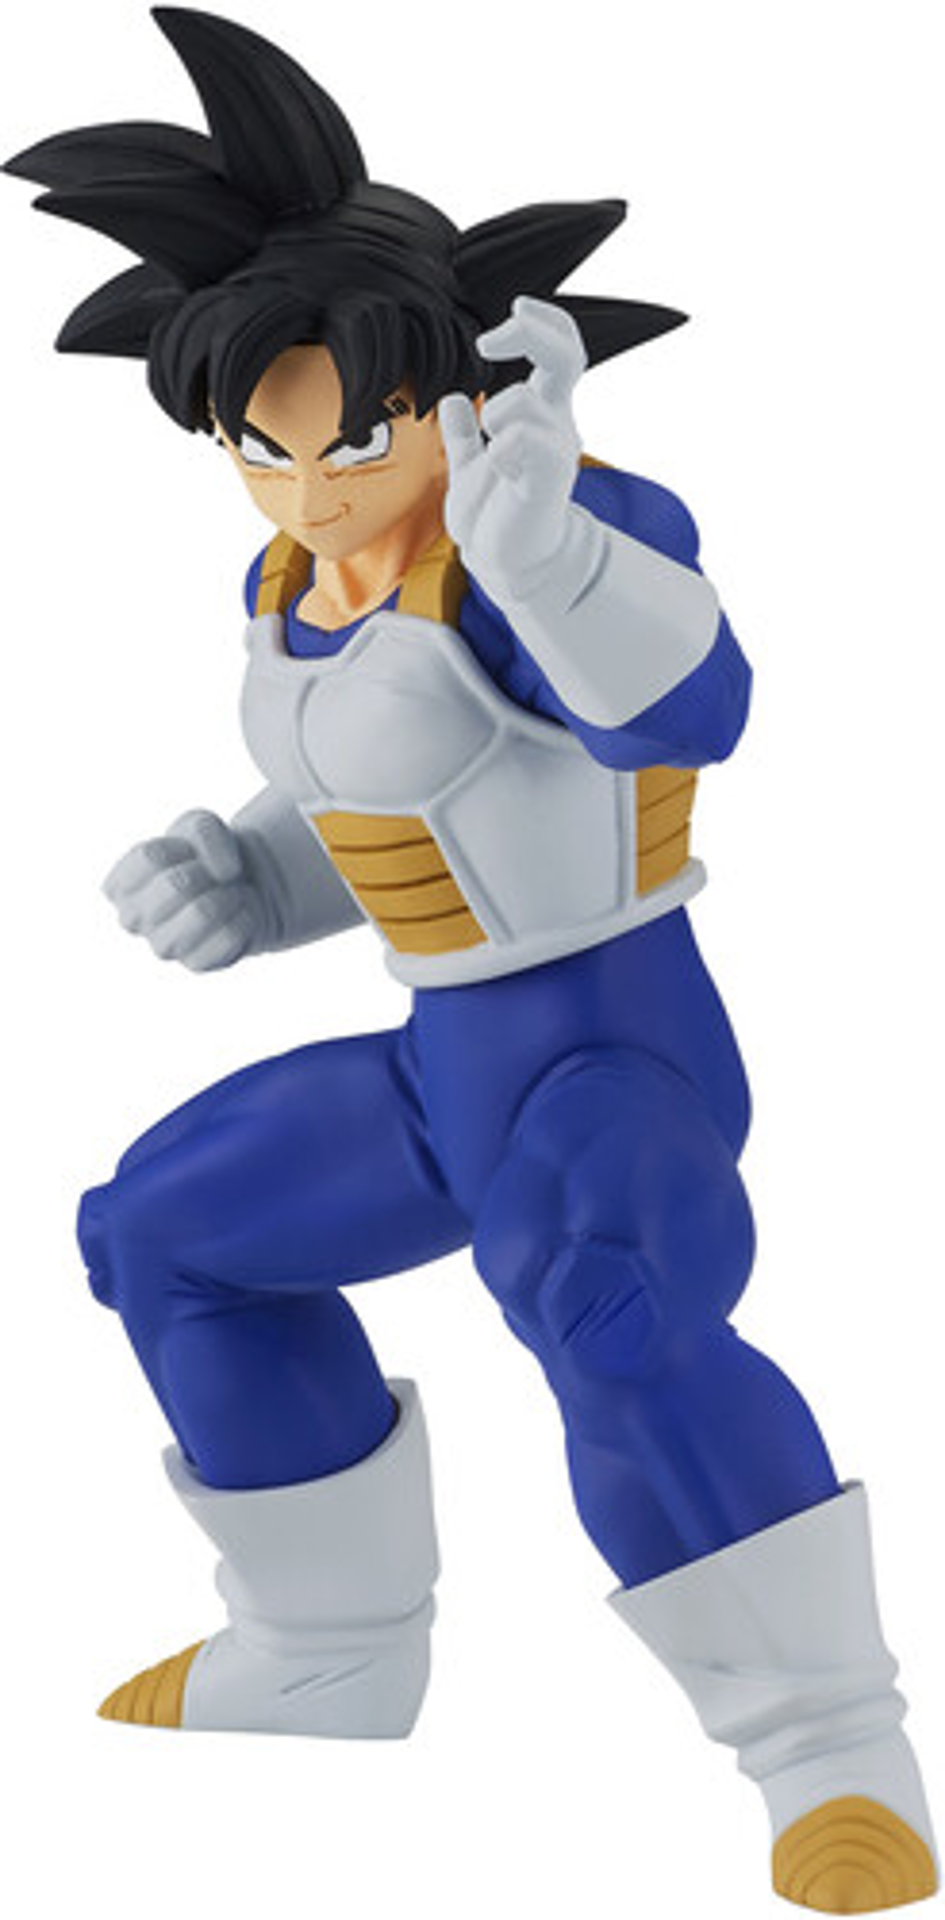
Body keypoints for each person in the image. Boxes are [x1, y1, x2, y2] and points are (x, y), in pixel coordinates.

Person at [4, 10, 936, 1910]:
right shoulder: (297, 580)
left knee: (610, 1309)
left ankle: (833, 1754)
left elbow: (693, 711)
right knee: (161, 1231)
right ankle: (328, 1651)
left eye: (353, 438)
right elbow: (386, 812)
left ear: (455, 394)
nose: (310, 486)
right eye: (258, 448)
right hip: (444, 1067)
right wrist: (245, 878)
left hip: (613, 1055)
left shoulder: (556, 536)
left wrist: (544, 548)